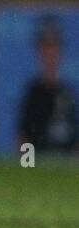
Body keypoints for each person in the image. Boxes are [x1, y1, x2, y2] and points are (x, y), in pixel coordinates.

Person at [18, 18, 78, 153]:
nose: (50, 53)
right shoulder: (33, 93)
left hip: (63, 166)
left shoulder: (67, 93)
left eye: (53, 47)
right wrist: (28, 166)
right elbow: (23, 138)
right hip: (39, 164)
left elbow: (74, 140)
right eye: (46, 47)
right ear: (40, 52)